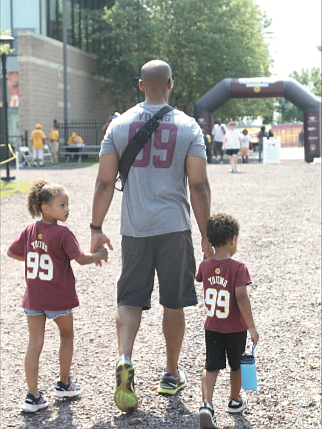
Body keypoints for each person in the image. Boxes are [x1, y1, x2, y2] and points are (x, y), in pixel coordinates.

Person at [90, 59, 213, 413]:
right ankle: (171, 373)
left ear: (141, 86)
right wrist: (205, 235)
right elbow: (199, 185)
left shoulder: (119, 125)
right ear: (170, 85)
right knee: (173, 301)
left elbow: (103, 183)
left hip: (134, 227)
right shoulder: (188, 126)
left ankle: (125, 357)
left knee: (130, 297)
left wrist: (96, 229)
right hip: (174, 227)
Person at [7, 179, 108, 413]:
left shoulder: (30, 230)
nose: (67, 209)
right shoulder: (63, 233)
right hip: (58, 297)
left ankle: (32, 397)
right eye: (61, 205)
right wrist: (99, 254)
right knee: (66, 335)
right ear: (45, 208)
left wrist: (36, 256)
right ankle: (64, 384)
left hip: (34, 297)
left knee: (34, 344)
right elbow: (81, 259)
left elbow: (12, 252)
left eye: (67, 204)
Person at [195, 213, 259, 429]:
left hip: (212, 326)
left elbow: (202, 277)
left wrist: (208, 256)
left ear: (211, 240)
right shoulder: (238, 267)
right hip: (235, 328)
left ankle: (206, 404)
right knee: (236, 365)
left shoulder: (204, 266)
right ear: (233, 239)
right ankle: (234, 400)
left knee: (211, 366)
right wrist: (251, 326)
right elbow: (241, 297)